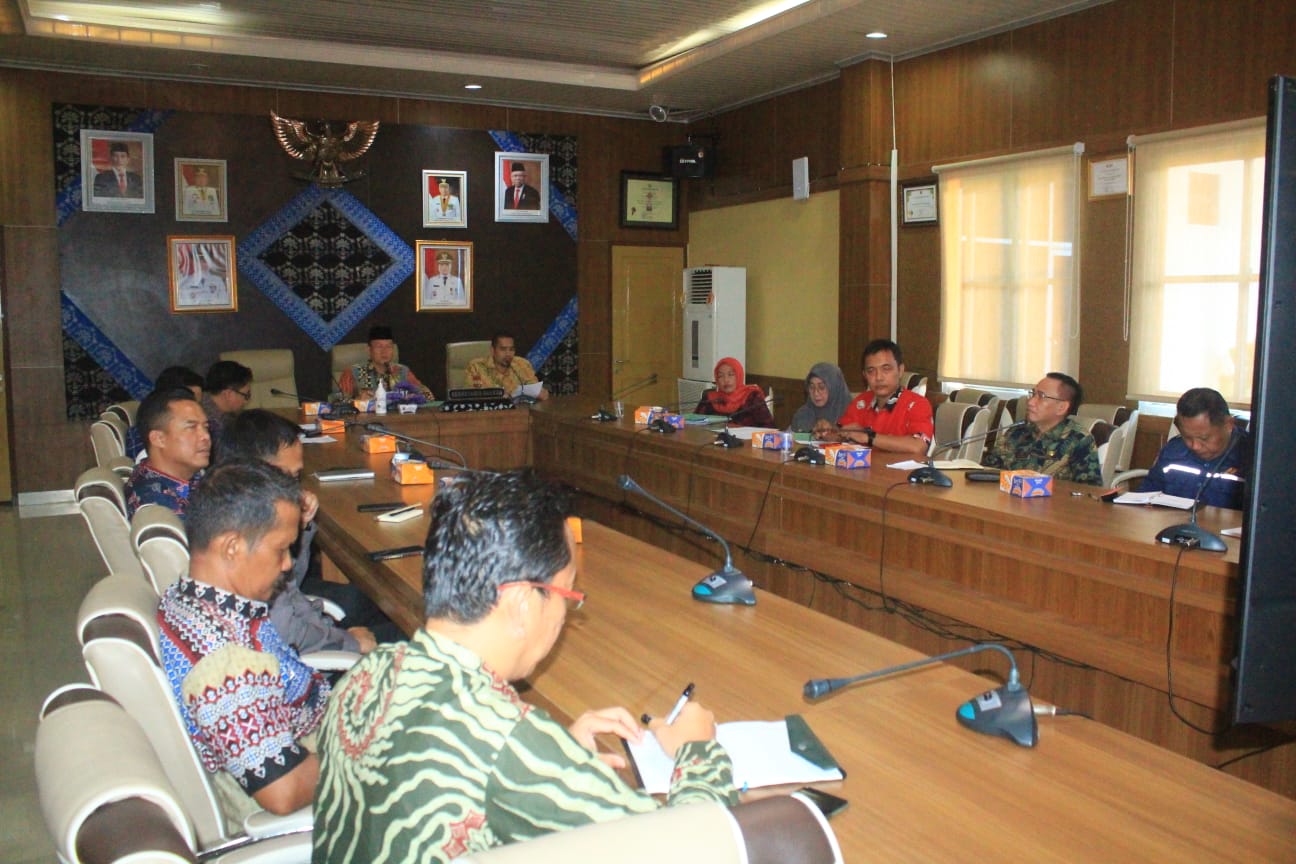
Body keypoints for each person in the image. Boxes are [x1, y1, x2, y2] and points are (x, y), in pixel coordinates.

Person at [313, 470, 735, 863]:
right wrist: (697, 751)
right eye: (567, 594)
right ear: (521, 603)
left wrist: (552, 759)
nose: (567, 613)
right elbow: (697, 851)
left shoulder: (366, 673)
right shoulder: (508, 743)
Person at [157, 460, 328, 819]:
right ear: (232, 546)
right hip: (316, 765)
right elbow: (281, 789)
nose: (286, 565)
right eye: (281, 549)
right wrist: (369, 750)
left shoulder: (192, 597)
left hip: (310, 722)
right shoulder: (225, 661)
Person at [220, 410, 386, 655]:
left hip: (311, 624)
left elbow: (291, 584)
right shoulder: (247, 535)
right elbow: (288, 631)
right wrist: (346, 641)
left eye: (298, 476)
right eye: (289, 476)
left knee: (376, 603)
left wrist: (303, 527)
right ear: (256, 470)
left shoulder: (234, 505)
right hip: (312, 657)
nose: (296, 487)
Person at [813, 339, 933, 456]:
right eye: (871, 371)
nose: (878, 377)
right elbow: (844, 434)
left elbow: (918, 446)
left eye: (886, 369)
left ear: (900, 370)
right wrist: (828, 431)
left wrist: (869, 437)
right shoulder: (861, 402)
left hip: (898, 475)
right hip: (862, 472)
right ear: (864, 375)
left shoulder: (917, 404)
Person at [1138, 387, 1250, 509]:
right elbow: (1145, 495)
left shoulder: (1253, 458)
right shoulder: (1173, 451)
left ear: (1228, 425)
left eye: (1204, 438)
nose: (1195, 446)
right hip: (1174, 525)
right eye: (1187, 437)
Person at [981, 372, 1102, 484]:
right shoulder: (1017, 432)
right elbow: (989, 472)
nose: (1031, 402)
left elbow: (1088, 491)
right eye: (1033, 394)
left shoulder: (1079, 439)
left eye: (1041, 396)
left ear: (1061, 407)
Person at [124, 387, 211, 517]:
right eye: (191, 427)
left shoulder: (181, 477)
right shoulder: (158, 506)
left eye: (205, 427)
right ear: (159, 439)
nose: (206, 436)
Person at [338, 325, 434, 401]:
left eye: (388, 347)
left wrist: (414, 397)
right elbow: (336, 401)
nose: (384, 352)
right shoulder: (353, 372)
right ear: (369, 350)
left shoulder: (402, 371)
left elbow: (428, 395)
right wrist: (357, 400)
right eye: (379, 347)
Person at [694, 357, 775, 427]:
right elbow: (693, 423)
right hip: (712, 443)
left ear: (739, 375)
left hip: (747, 443)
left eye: (731, 374)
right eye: (721, 376)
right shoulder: (709, 399)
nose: (726, 380)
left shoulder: (752, 397)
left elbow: (768, 427)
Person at [465, 333, 549, 400]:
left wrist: (540, 392)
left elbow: (534, 387)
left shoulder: (522, 364)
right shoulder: (476, 367)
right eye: (503, 349)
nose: (508, 354)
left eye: (511, 349)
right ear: (492, 350)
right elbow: (474, 395)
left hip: (519, 413)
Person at [201, 360, 253, 456]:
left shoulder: (201, 398)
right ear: (229, 394)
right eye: (246, 395)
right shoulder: (216, 426)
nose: (246, 401)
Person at [789, 361, 851, 433]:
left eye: (821, 387)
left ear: (834, 387)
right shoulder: (803, 414)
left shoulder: (853, 413)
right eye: (811, 387)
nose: (816, 393)